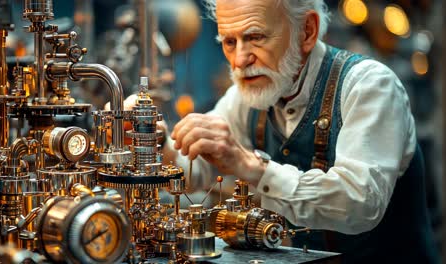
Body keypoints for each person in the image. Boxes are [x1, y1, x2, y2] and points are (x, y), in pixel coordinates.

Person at [126, 0, 439, 263]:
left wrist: (249, 165)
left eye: (256, 38)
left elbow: (358, 204)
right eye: (229, 42)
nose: (240, 60)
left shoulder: (369, 85)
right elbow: (198, 171)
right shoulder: (246, 96)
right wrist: (159, 145)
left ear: (307, 31)